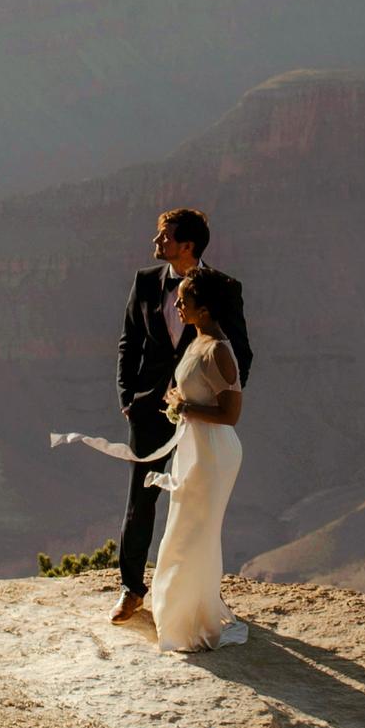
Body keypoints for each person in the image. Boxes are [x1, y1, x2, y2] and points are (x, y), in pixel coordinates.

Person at [113, 207, 249, 627]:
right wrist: (127, 396)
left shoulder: (224, 287)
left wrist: (216, 400)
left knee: (197, 502)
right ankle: (131, 589)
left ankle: (195, 593)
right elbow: (128, 341)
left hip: (202, 417)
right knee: (141, 500)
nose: (156, 243)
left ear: (187, 245)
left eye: (165, 237)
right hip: (150, 410)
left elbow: (240, 351)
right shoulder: (145, 282)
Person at [144, 274, 245, 650]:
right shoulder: (198, 339)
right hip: (197, 448)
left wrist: (185, 407)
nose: (177, 306)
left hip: (214, 454)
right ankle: (178, 610)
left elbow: (231, 413)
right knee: (185, 528)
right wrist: (181, 406)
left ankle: (190, 618)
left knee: (194, 531)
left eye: (184, 301)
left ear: (205, 309)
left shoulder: (219, 350)